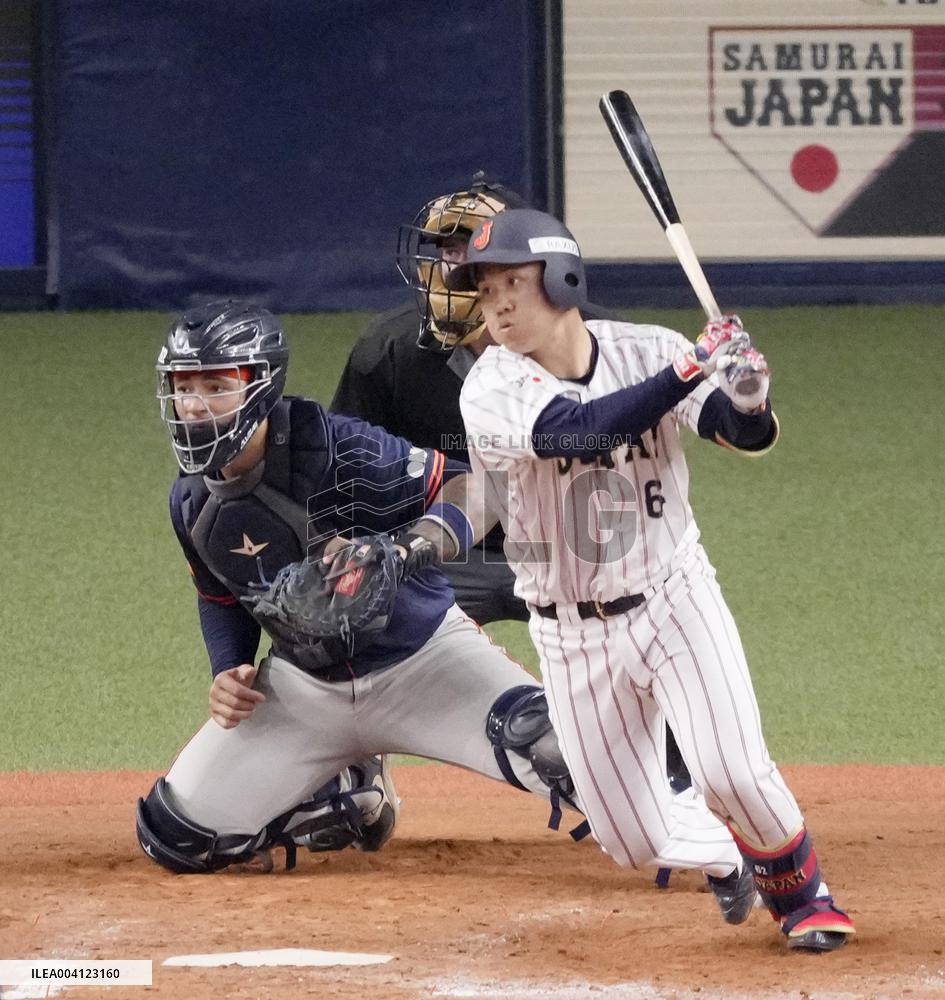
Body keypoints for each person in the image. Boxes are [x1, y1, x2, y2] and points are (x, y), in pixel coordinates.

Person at [448, 208, 856, 952]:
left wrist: (747, 392)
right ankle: (731, 854)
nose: (498, 303)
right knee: (631, 840)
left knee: (728, 767)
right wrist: (690, 368)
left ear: (563, 278)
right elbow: (580, 430)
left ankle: (802, 896)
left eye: (514, 281)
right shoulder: (490, 385)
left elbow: (741, 435)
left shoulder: (648, 349)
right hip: (569, 633)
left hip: (672, 597)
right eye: (485, 289)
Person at [135, 299, 584, 875]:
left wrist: (405, 549)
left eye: (216, 386)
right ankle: (345, 790)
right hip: (305, 687)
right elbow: (220, 595)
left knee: (554, 752)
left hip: (424, 661)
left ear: (261, 387)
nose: (194, 406)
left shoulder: (339, 449)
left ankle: (710, 816)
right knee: (178, 835)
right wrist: (228, 666)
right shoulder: (192, 503)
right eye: (182, 388)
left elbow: (478, 490)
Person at [333, 176, 693, 805]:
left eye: (468, 246)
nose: (453, 266)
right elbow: (351, 477)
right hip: (449, 553)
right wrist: (362, 555)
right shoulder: (385, 352)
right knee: (354, 609)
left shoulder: (595, 342)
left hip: (573, 553)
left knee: (640, 630)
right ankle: (352, 767)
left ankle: (674, 779)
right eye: (442, 250)